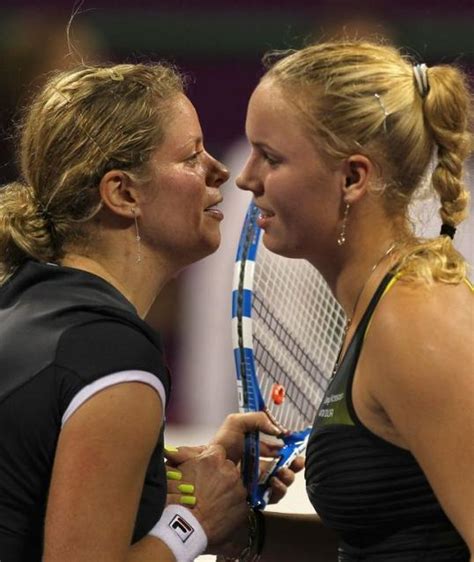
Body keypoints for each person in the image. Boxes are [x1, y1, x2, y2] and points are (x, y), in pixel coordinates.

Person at [0, 62, 299, 562]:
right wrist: (197, 521)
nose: (221, 172)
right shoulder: (112, 354)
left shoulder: (22, 303)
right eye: (191, 156)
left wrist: (165, 478)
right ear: (123, 193)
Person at [224, 39, 473, 561]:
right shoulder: (381, 308)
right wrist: (232, 531)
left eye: (270, 157)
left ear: (353, 178)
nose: (246, 179)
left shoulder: (416, 319)